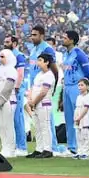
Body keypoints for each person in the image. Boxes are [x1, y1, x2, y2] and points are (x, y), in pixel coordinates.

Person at [60, 30, 89, 157]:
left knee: (79, 116)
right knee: (69, 118)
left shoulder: (79, 54)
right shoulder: (65, 54)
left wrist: (83, 88)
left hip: (76, 87)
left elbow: (88, 73)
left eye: (65, 38)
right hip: (67, 87)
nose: (63, 39)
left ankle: (82, 148)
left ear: (72, 40)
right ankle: (71, 147)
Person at [26, 26, 57, 154]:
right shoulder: (33, 50)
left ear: (42, 35)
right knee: (38, 126)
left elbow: (54, 69)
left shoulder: (47, 49)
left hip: (43, 96)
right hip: (35, 91)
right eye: (31, 35)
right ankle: (39, 148)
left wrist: (53, 88)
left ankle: (49, 148)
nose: (32, 37)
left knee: (45, 125)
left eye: (35, 35)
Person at [0, 49, 19, 158]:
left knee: (8, 125)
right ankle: (4, 147)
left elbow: (8, 87)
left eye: (3, 57)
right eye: (0, 56)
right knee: (1, 125)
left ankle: (11, 149)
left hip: (8, 101)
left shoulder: (11, 70)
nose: (0, 59)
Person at [3, 35, 29, 155]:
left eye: (7, 42)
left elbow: (20, 74)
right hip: (7, 90)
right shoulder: (6, 56)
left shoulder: (19, 56)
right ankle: (11, 145)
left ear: (14, 43)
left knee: (17, 118)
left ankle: (22, 147)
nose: (5, 44)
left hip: (16, 90)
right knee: (9, 119)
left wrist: (17, 88)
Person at [73, 78, 89, 160]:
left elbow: (86, 109)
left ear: (87, 86)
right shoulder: (78, 97)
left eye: (82, 85)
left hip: (84, 119)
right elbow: (77, 108)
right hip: (78, 119)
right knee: (78, 136)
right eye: (79, 85)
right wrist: (76, 118)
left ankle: (86, 153)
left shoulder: (88, 97)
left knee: (85, 135)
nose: (80, 87)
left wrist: (80, 117)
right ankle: (80, 151)